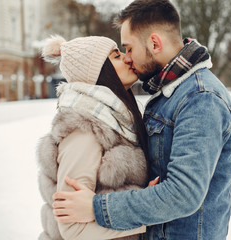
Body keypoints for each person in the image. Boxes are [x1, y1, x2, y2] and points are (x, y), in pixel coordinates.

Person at [52, 0, 231, 239]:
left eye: (128, 48)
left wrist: (96, 207)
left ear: (154, 43)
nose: (128, 58)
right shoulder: (166, 93)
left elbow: (183, 194)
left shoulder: (200, 98)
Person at [37, 35, 150, 240]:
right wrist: (149, 216)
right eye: (116, 56)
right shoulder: (84, 130)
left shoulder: (114, 120)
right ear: (97, 71)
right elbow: (72, 229)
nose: (127, 58)